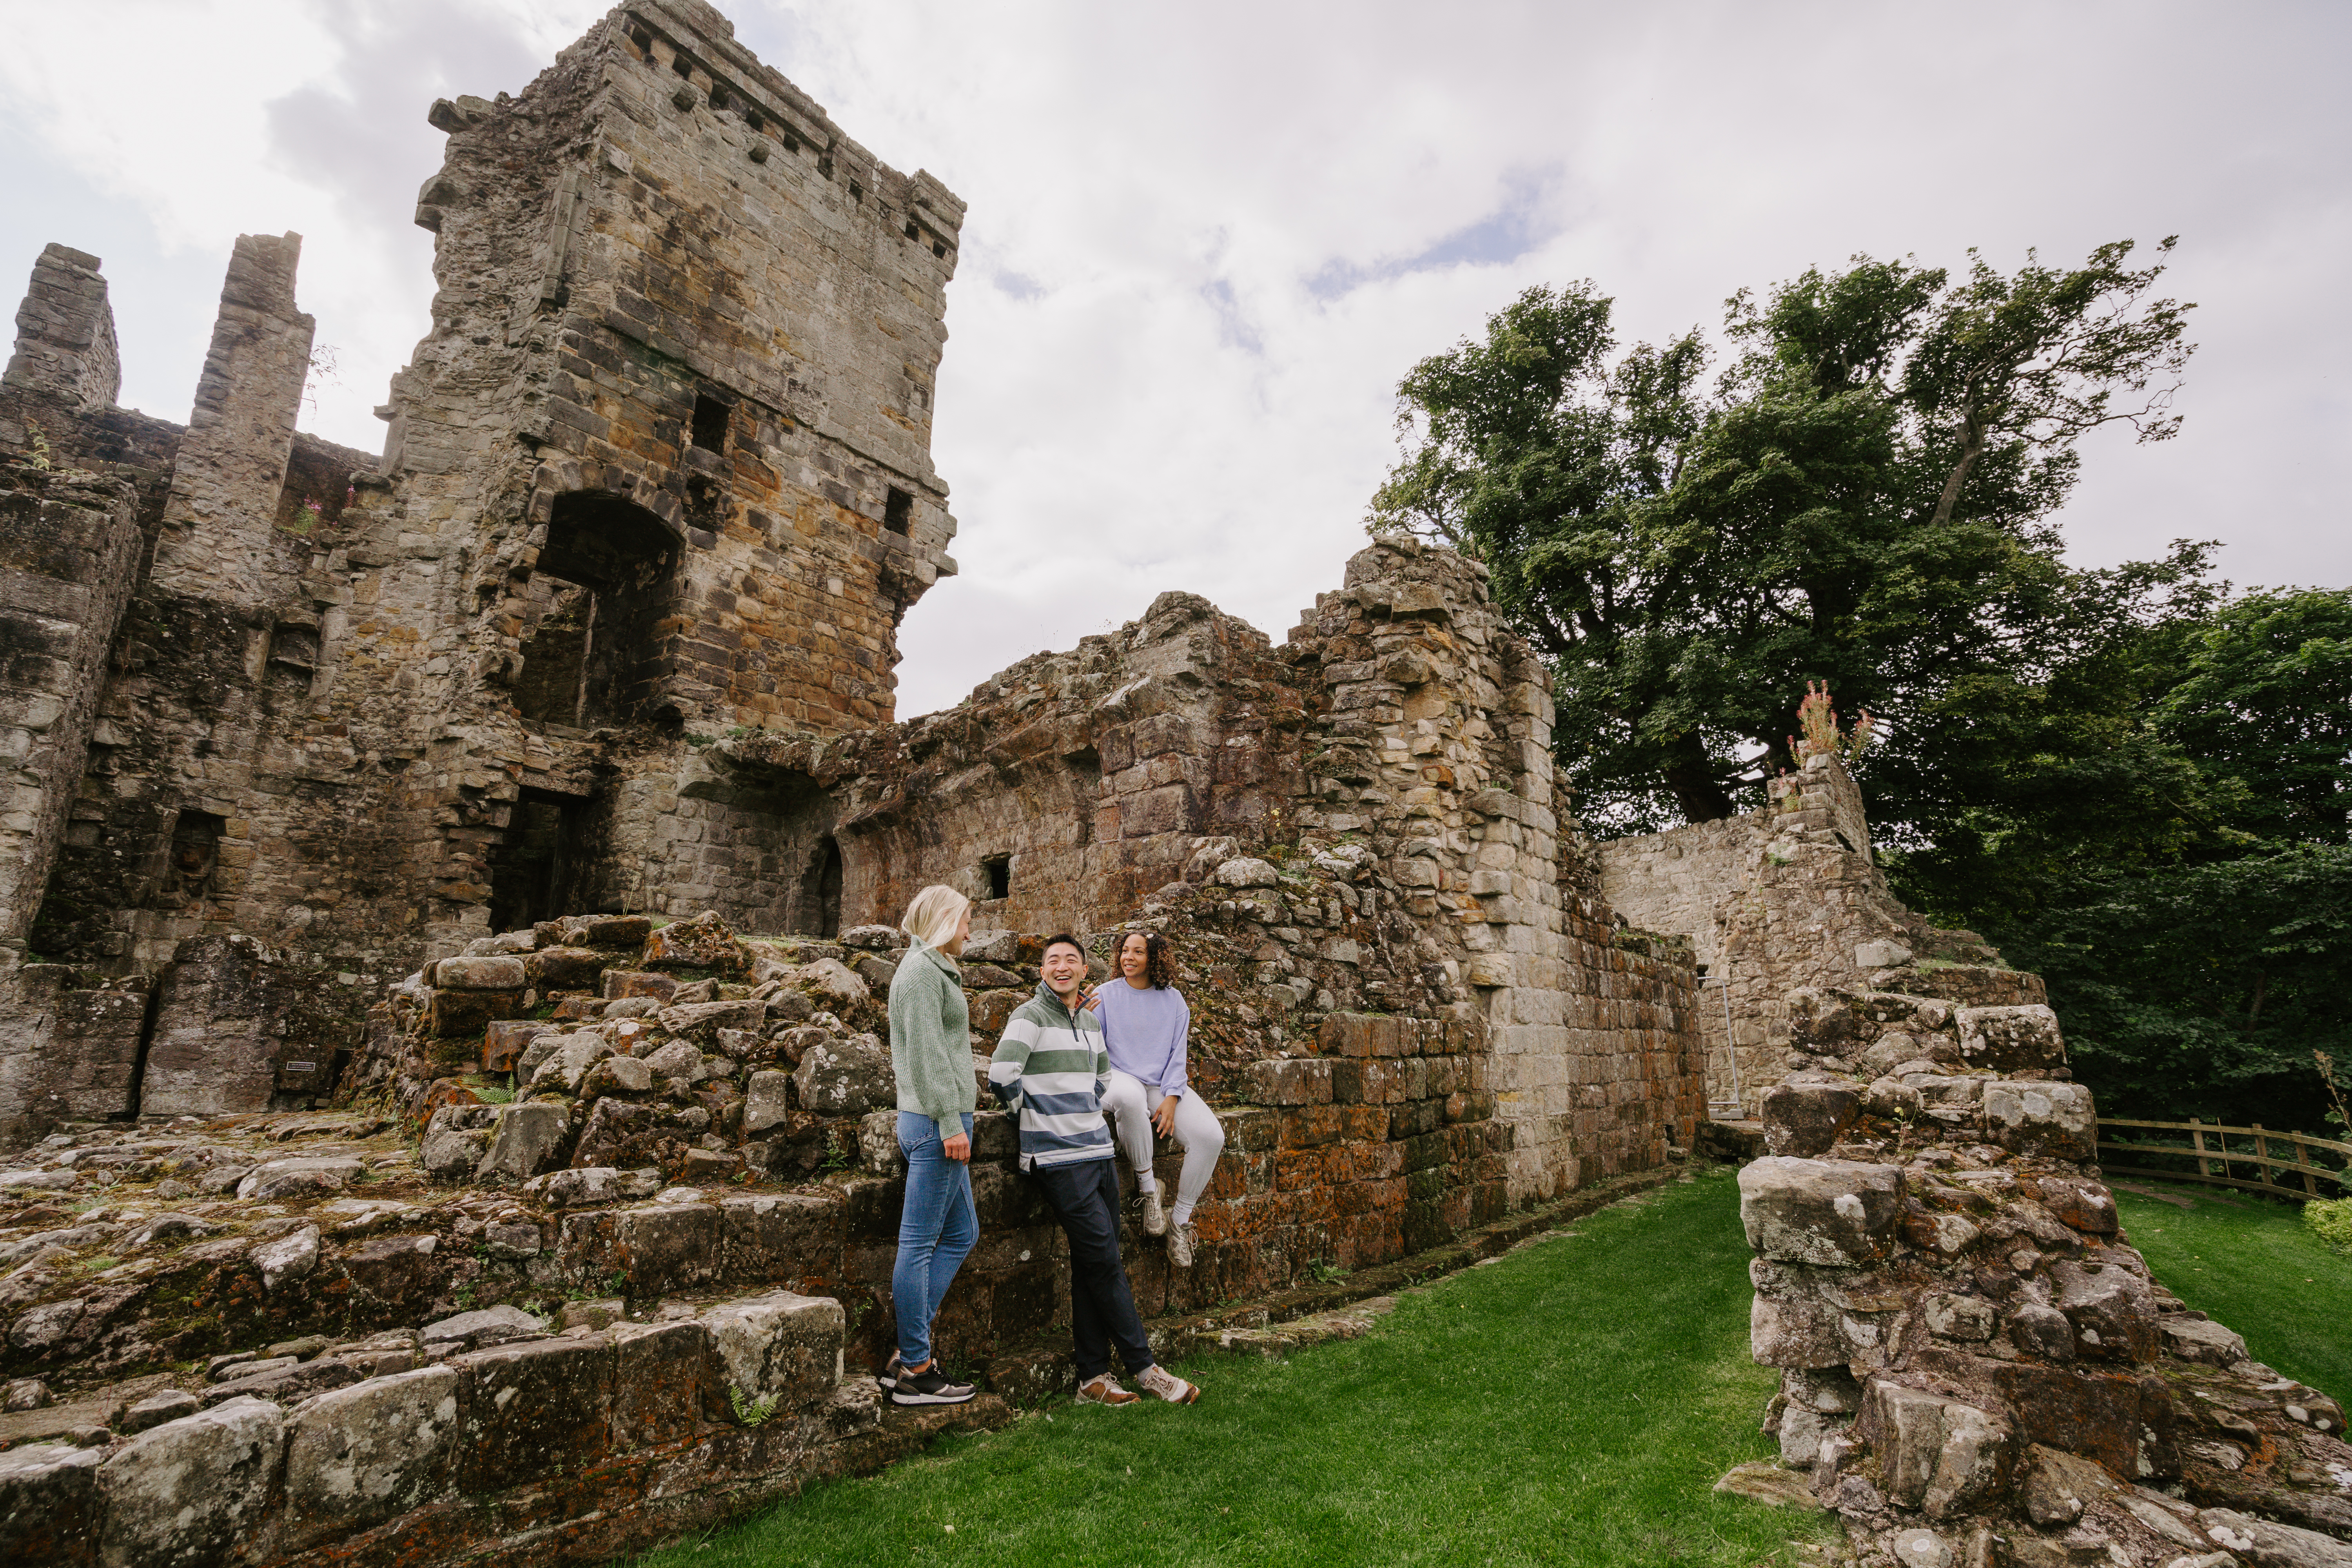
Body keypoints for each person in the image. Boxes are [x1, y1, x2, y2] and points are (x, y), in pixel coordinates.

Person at [990, 934, 1201, 1406]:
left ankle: (1092, 1379)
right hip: (1059, 1160)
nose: (1061, 967)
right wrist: (1034, 1114)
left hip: (1098, 1154)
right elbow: (1002, 1076)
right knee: (1105, 1260)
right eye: (1052, 961)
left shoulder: (1088, 1020)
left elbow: (1103, 1080)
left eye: (1071, 960)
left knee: (1096, 1261)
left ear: (1086, 970)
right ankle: (1147, 1370)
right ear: (1042, 970)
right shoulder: (1029, 1016)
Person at [883, 884, 978, 1406]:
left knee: (963, 1233)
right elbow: (926, 1056)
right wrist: (950, 1121)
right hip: (936, 1122)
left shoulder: (933, 969)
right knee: (918, 1244)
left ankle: (907, 1348)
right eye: (965, 919)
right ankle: (917, 1368)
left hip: (941, 1118)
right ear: (943, 921)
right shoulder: (921, 976)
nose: (970, 929)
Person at [1093, 930, 1225, 1268]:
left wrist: (1172, 1097)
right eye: (1124, 951)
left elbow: (1176, 1057)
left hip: (1160, 1085)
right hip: (1117, 1077)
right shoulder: (1104, 996)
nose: (1129, 957)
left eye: (1138, 952)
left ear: (1154, 958)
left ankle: (1180, 1221)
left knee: (1211, 1137)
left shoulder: (1174, 1001)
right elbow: (1094, 1049)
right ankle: (1149, 1189)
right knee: (1131, 1098)